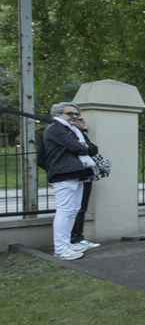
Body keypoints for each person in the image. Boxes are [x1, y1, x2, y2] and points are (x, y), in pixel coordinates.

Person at [42, 102, 98, 261]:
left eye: (76, 113)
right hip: (63, 174)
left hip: (76, 173)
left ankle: (68, 244)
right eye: (70, 113)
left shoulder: (71, 131)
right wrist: (80, 146)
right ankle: (60, 249)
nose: (74, 116)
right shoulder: (55, 129)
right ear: (58, 115)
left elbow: (91, 149)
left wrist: (80, 146)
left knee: (73, 210)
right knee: (65, 211)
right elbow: (80, 148)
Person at [68, 114, 101, 253]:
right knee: (72, 209)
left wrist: (85, 147)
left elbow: (93, 149)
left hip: (85, 175)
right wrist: (84, 148)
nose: (83, 121)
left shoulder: (81, 135)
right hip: (72, 175)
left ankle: (78, 238)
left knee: (81, 208)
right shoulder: (67, 135)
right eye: (80, 119)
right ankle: (72, 239)